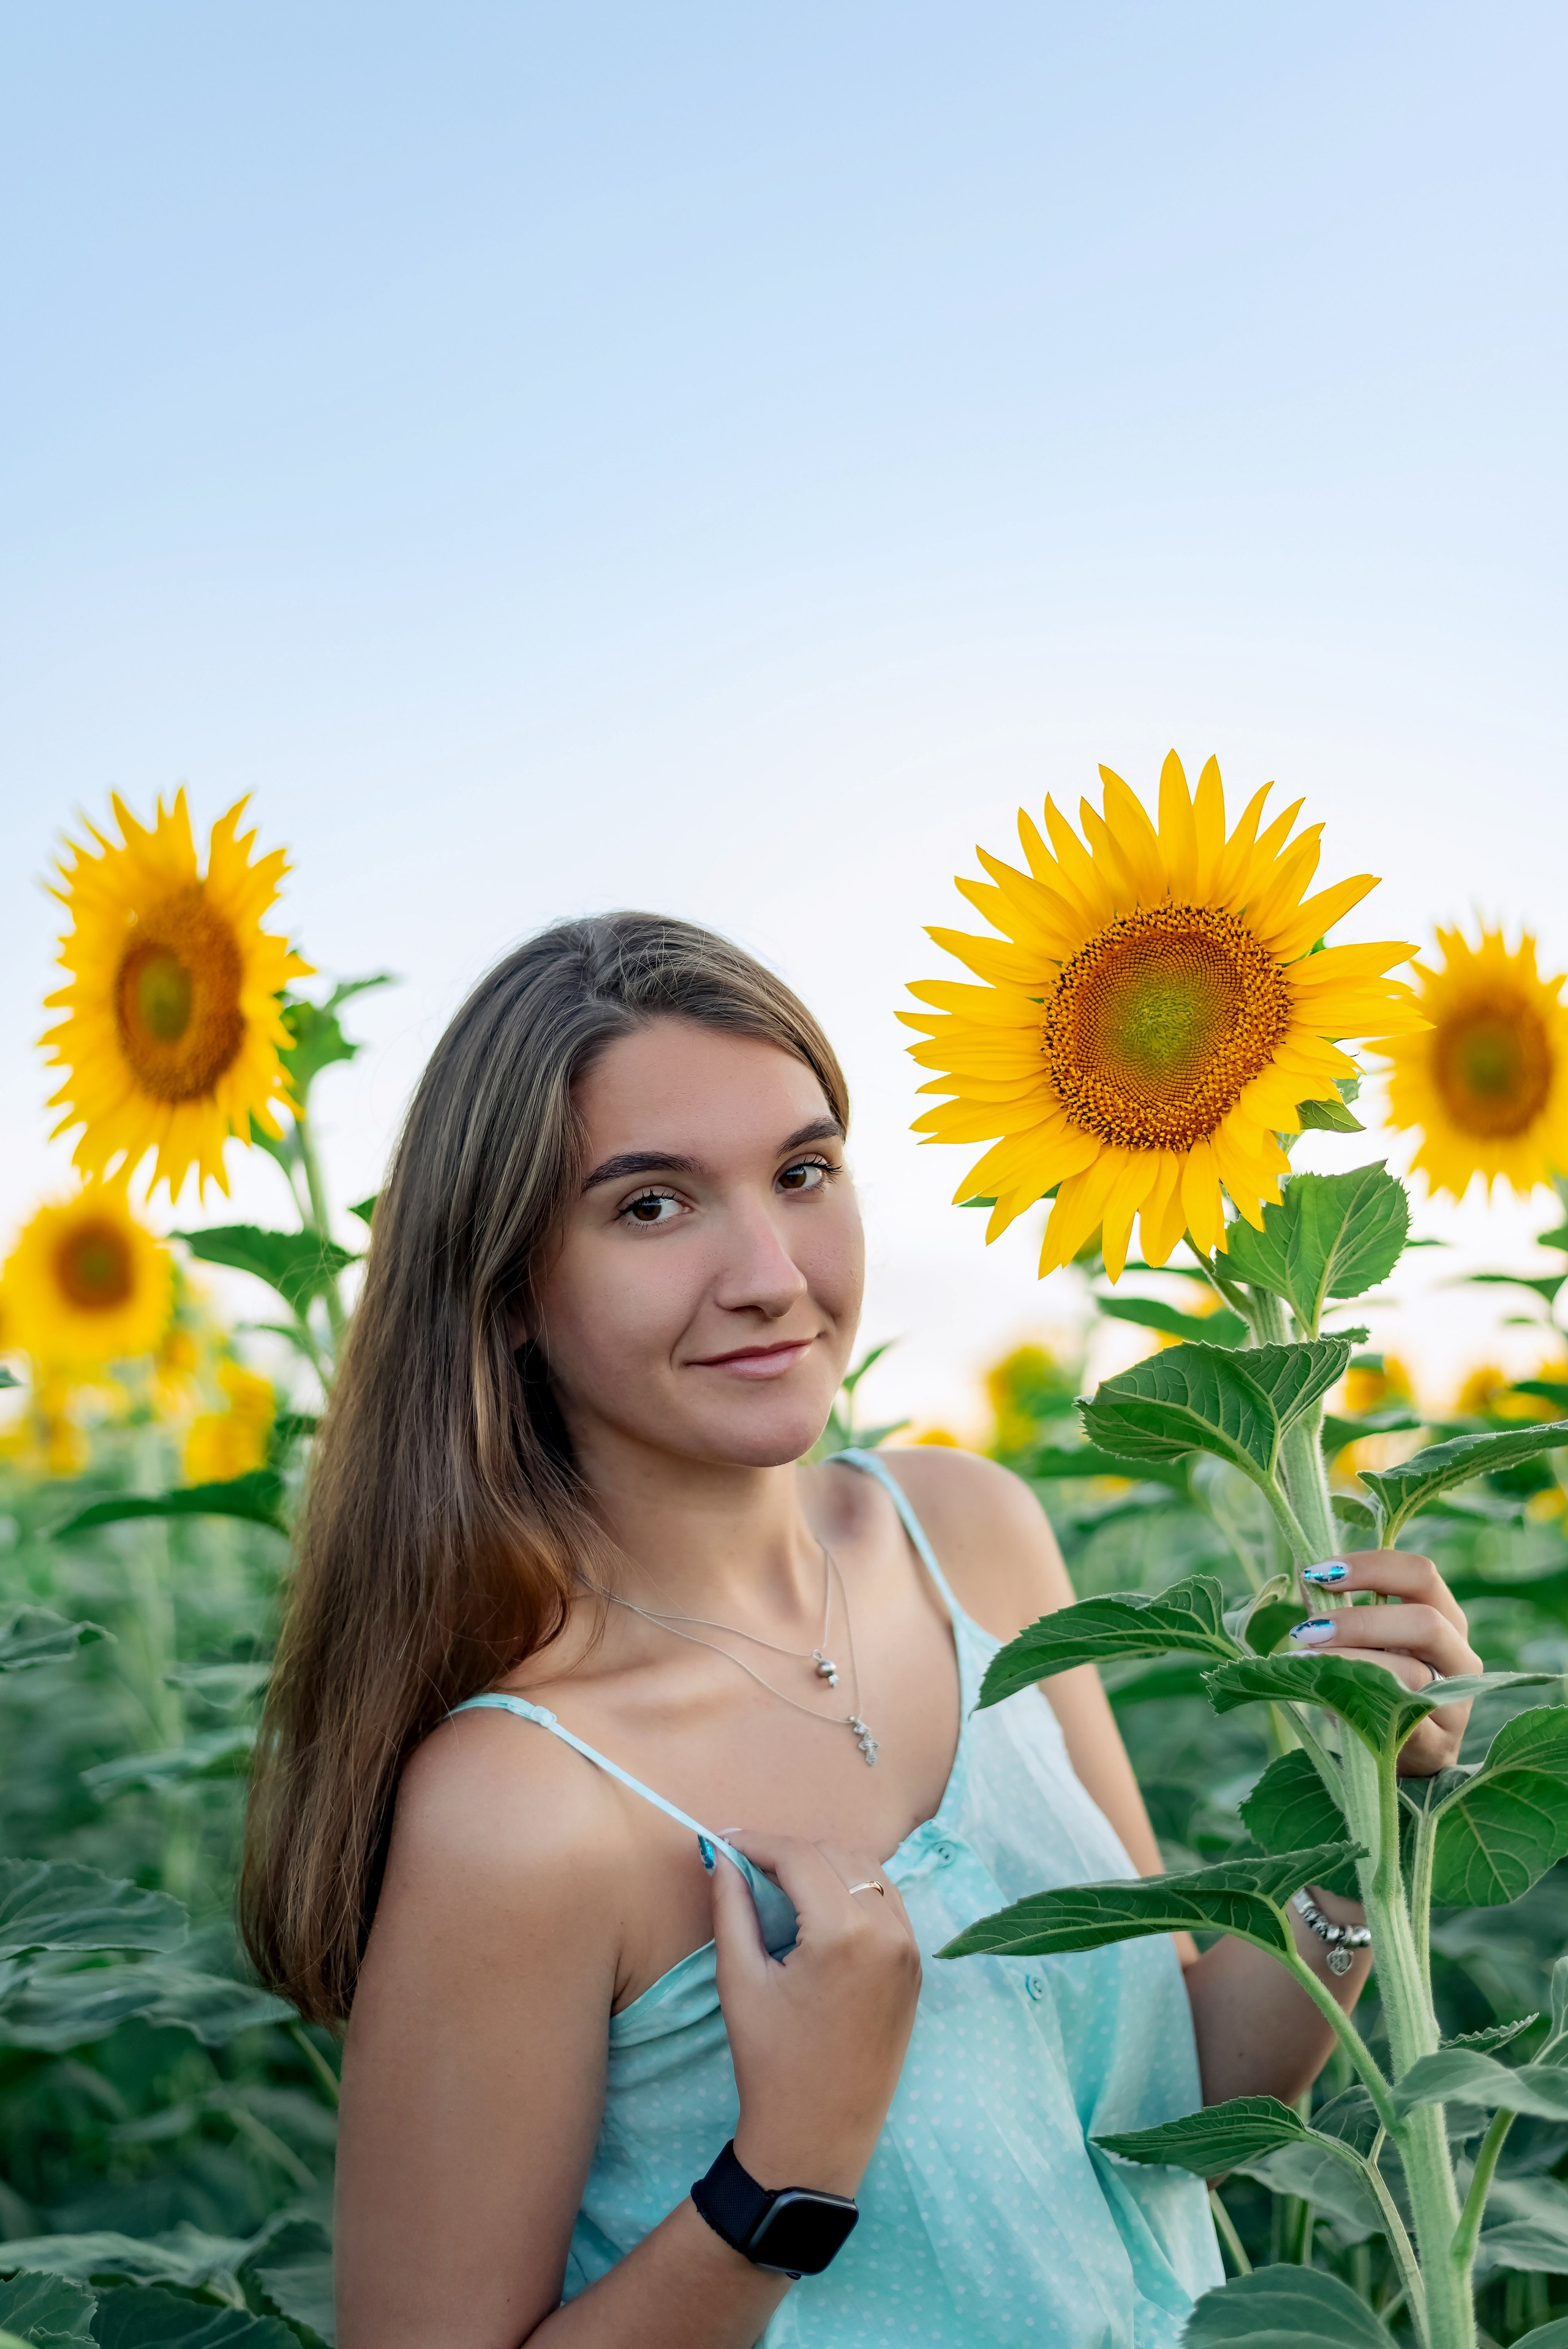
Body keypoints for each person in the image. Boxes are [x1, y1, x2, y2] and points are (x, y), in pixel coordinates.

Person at [242, 913, 1483, 2349]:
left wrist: (1360, 1822)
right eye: (651, 1205)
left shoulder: (972, 1537)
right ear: (510, 1286)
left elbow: (1181, 2088)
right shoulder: (524, 1805)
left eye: (801, 1171)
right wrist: (787, 2171)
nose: (770, 1270)